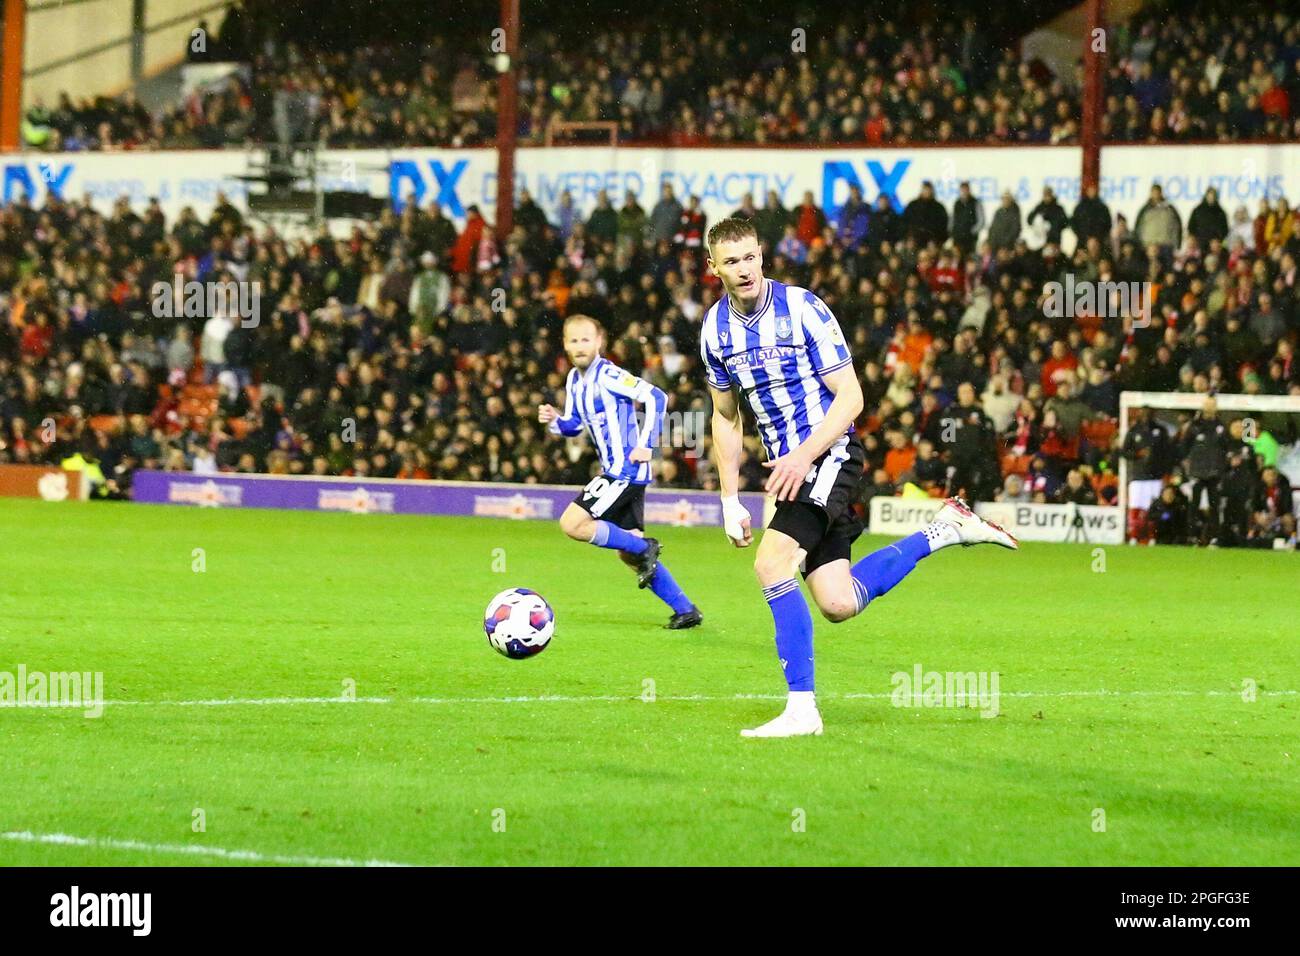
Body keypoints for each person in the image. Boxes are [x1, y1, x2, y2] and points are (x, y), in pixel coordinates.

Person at [699, 218, 1017, 739]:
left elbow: (851, 397)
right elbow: (726, 416)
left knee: (771, 562)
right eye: (731, 261)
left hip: (829, 456)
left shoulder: (802, 309)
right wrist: (729, 498)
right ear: (713, 268)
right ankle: (945, 530)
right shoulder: (715, 329)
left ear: (763, 256)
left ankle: (802, 710)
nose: (745, 268)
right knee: (838, 603)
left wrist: (803, 455)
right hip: (790, 471)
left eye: (751, 257)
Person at [538, 315, 702, 629]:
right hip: (621, 472)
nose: (580, 346)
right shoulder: (574, 380)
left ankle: (646, 546)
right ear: (565, 345)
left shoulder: (609, 375)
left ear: (599, 341)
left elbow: (657, 397)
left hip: (624, 470)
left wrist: (646, 443)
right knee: (627, 553)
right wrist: (555, 420)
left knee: (572, 523)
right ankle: (686, 610)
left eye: (586, 339)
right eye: (574, 340)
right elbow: (574, 426)